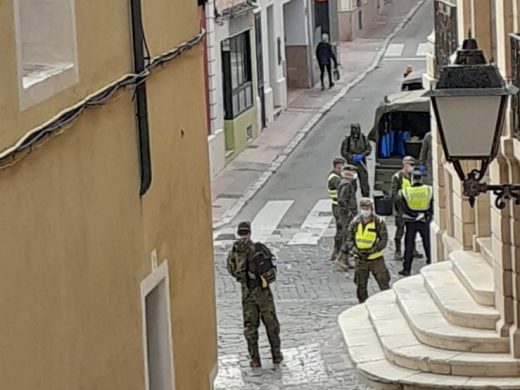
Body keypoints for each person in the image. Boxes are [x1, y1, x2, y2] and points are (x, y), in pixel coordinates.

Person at [226, 221, 283, 368]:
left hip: (247, 293)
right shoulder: (258, 248)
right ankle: (276, 355)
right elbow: (271, 264)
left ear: (238, 233)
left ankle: (255, 359)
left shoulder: (234, 251)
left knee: (250, 327)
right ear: (249, 232)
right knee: (271, 323)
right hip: (263, 291)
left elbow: (231, 269)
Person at [340, 198, 391, 303]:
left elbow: (383, 240)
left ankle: (387, 302)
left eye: (367, 207)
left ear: (372, 208)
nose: (365, 209)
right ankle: (362, 303)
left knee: (383, 280)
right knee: (360, 284)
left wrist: (372, 250)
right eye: (363, 207)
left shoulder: (378, 222)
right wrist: (355, 250)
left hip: (375, 258)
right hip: (360, 258)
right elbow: (349, 239)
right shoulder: (355, 222)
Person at [397, 170, 433, 276]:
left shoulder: (405, 191)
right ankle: (430, 262)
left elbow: (403, 207)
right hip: (424, 220)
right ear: (421, 178)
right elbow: (432, 204)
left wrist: (413, 214)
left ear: (412, 179)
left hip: (411, 221)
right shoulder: (429, 189)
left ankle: (407, 269)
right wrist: (426, 215)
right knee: (427, 243)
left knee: (409, 245)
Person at [390, 156, 422, 260]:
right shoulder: (397, 177)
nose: (412, 167)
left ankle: (412, 249)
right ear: (404, 164)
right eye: (410, 164)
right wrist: (402, 202)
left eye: (413, 164)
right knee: (400, 229)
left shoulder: (414, 176)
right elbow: (394, 193)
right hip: (401, 208)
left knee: (412, 229)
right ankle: (398, 251)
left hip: (413, 207)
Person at [334, 164, 358, 271]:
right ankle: (340, 259)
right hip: (346, 216)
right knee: (347, 237)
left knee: (347, 236)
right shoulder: (346, 185)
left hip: (346, 214)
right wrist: (348, 212)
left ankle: (346, 260)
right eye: (353, 172)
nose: (354, 174)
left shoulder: (347, 183)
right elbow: (342, 200)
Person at [341, 123, 372, 197]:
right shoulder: (347, 140)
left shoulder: (364, 138)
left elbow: (369, 149)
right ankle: (351, 199)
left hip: (361, 163)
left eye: (357, 129)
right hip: (351, 165)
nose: (355, 131)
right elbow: (343, 152)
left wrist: (362, 155)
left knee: (364, 183)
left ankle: (366, 199)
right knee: (351, 184)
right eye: (354, 129)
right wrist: (351, 157)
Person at [328, 157, 345, 260]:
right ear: (336, 167)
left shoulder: (339, 176)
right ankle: (337, 251)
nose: (342, 170)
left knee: (343, 229)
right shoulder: (334, 178)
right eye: (340, 168)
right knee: (341, 230)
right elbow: (343, 188)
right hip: (337, 206)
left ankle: (339, 251)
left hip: (342, 206)